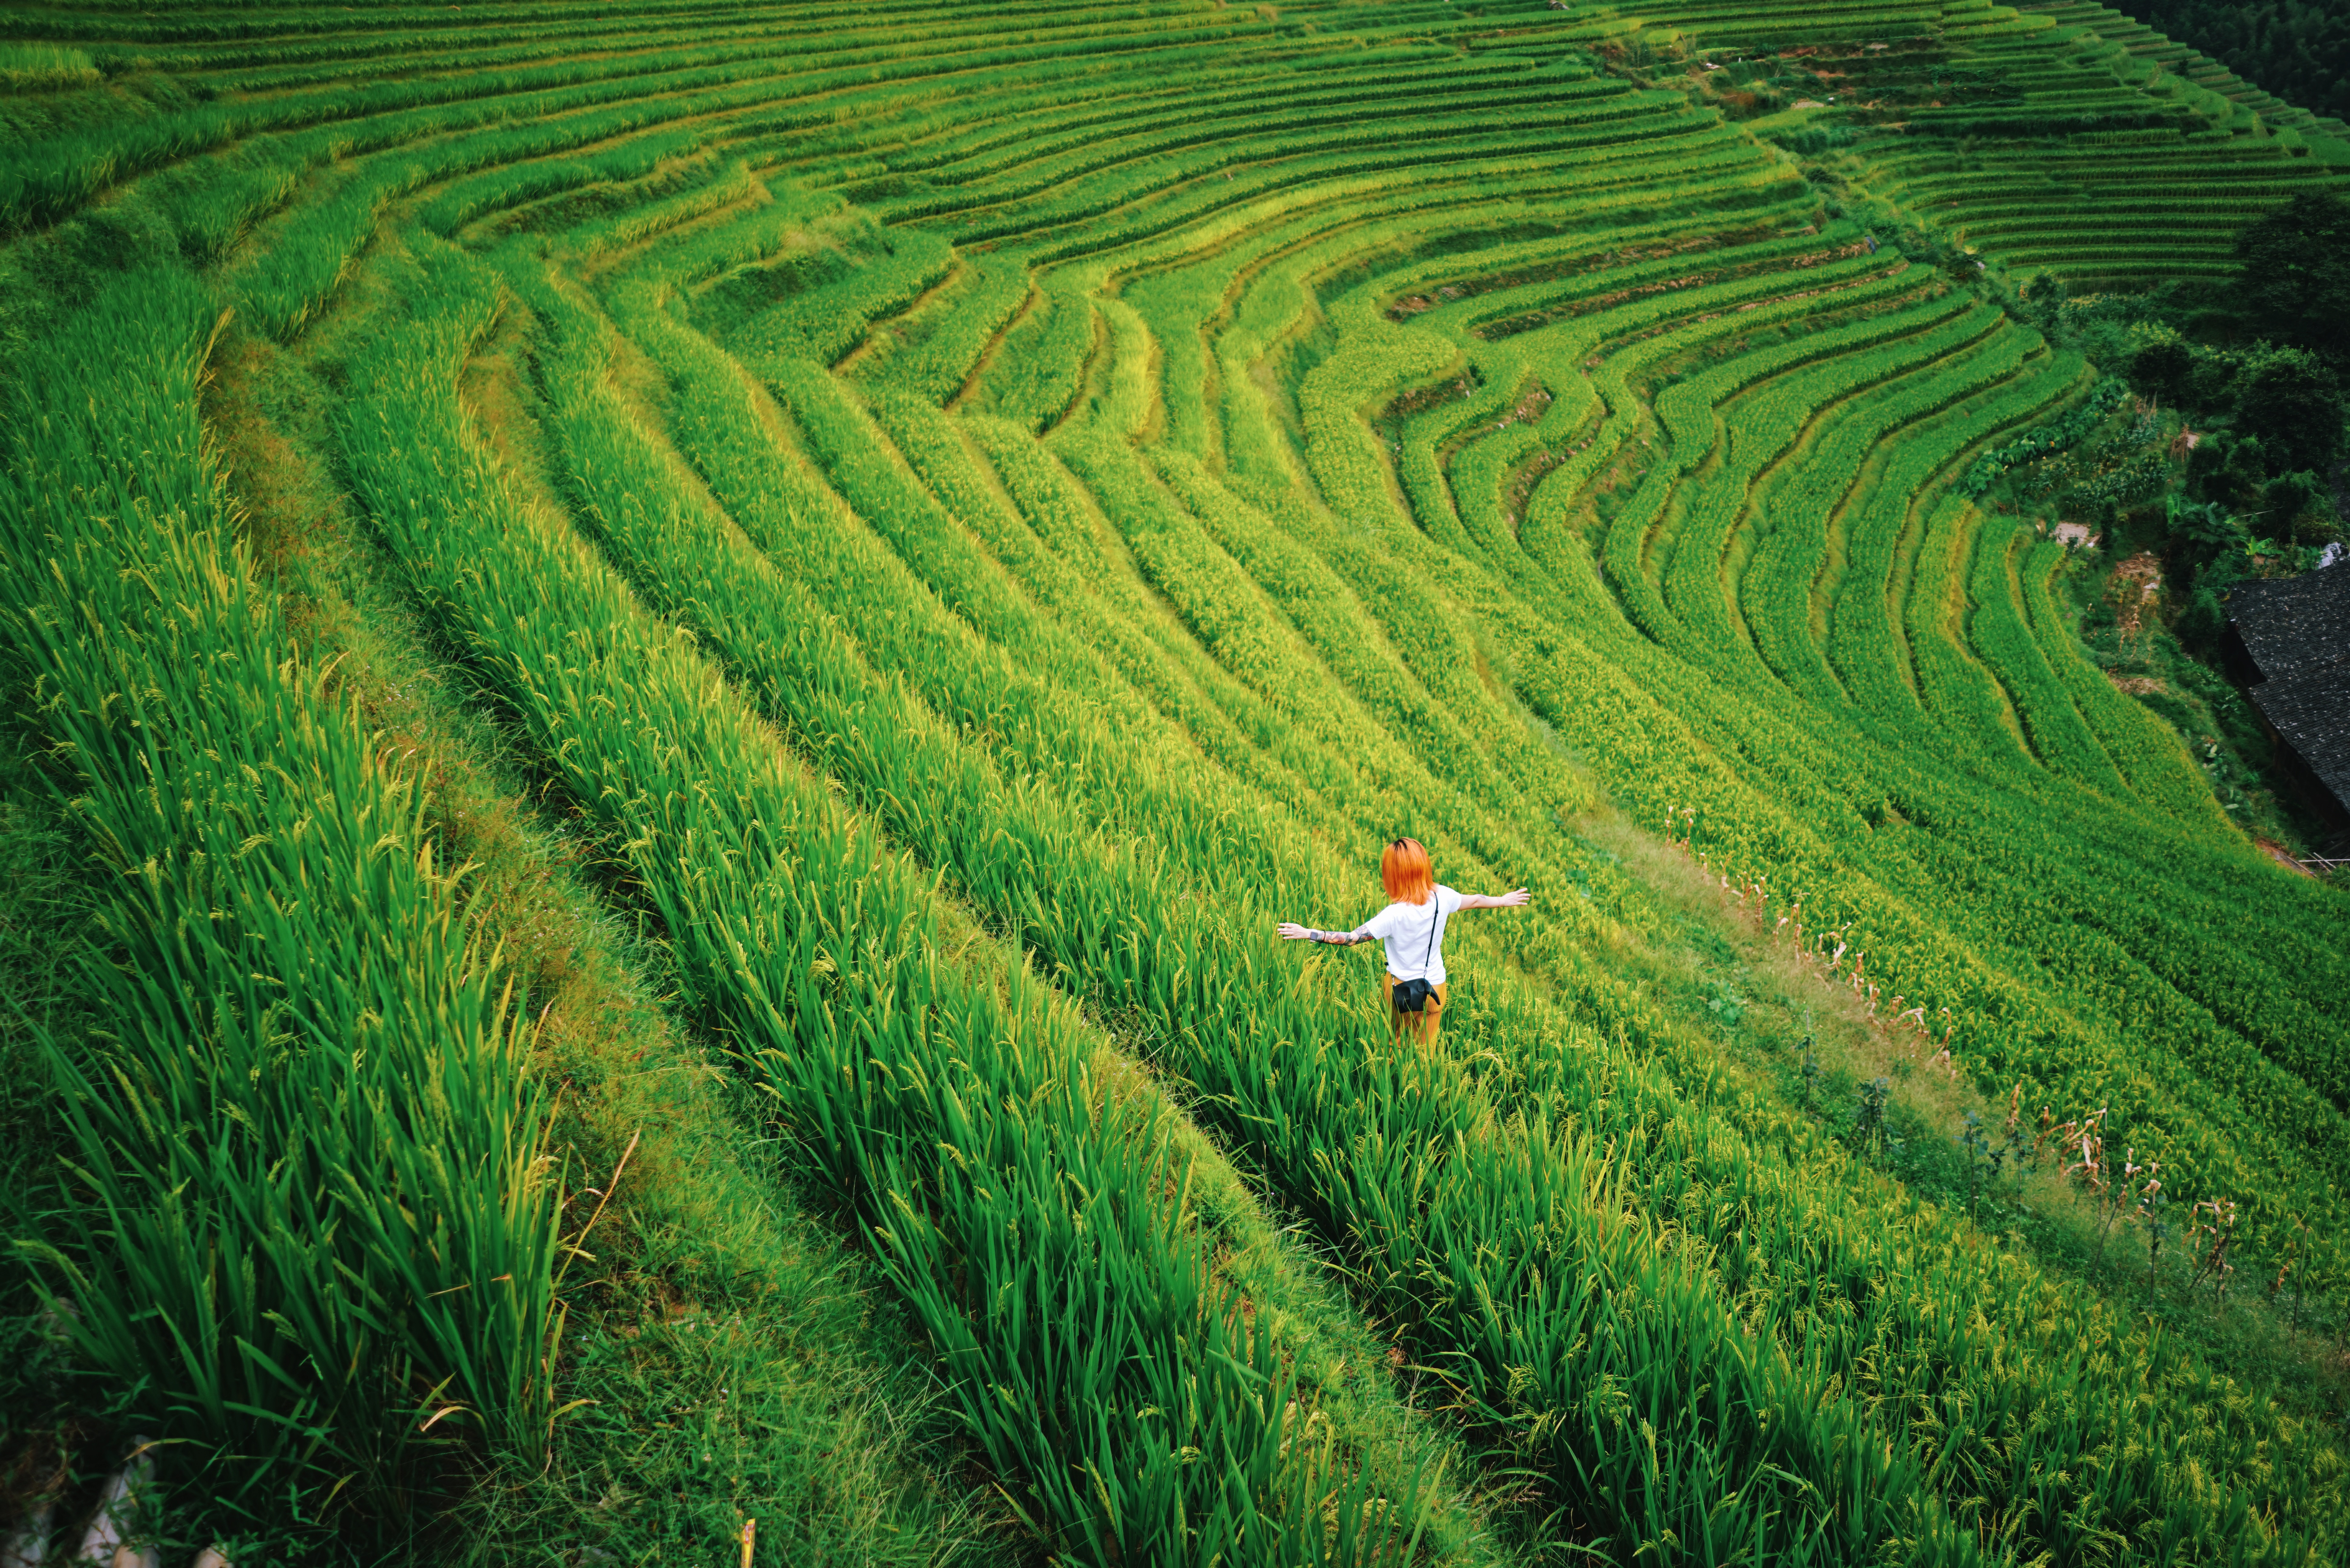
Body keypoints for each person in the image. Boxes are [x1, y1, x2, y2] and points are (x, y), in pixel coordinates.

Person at [1275, 837, 1529, 1044]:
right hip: (1435, 989)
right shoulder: (1443, 896)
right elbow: (1475, 900)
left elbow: (1351, 939)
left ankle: (1392, 1086)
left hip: (1401, 989)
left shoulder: (1395, 915)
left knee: (1393, 1041)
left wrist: (1309, 933)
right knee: (1425, 1052)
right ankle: (1421, 1095)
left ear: (1393, 877)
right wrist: (1502, 900)